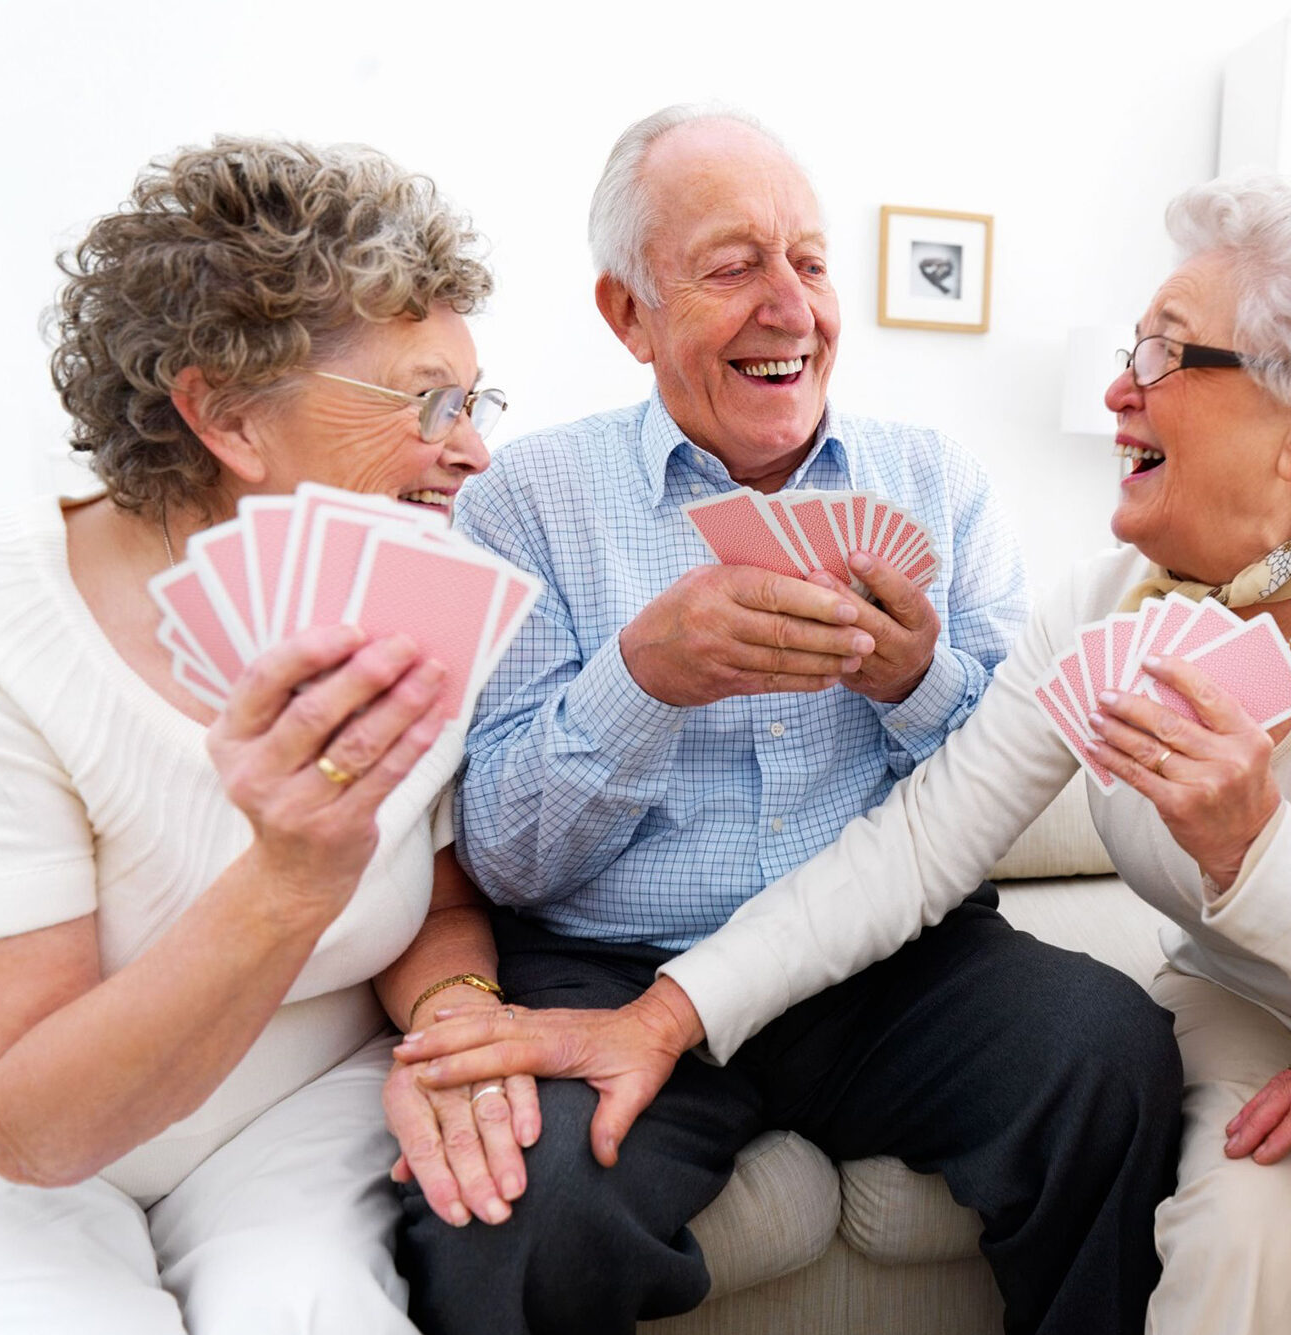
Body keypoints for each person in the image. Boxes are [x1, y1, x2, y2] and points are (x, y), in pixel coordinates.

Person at [405, 174, 1291, 1334]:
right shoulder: (1110, 606)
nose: (1116, 391)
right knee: (1243, 1242)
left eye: (1165, 355)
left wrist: (1250, 851)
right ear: (628, 311)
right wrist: (666, 1012)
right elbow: (919, 844)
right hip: (1246, 1018)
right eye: (1128, 351)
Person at [390, 104, 1182, 1335]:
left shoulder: (937, 484)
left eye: (808, 262)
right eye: (730, 267)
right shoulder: (519, 507)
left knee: (1110, 1053)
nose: (788, 306)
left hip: (888, 965)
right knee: (510, 1209)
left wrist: (916, 681)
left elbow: (1014, 782)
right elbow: (500, 855)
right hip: (610, 965)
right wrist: (639, 678)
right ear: (627, 316)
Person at [0, 137, 535, 1333]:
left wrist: (457, 1017)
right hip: (31, 1163)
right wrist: (288, 880)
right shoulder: (7, 639)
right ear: (226, 414)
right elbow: (28, 1130)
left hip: (300, 1120)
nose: (473, 451)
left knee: (309, 1309)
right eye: (427, 401)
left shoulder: (429, 589)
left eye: (475, 401)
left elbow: (432, 902)